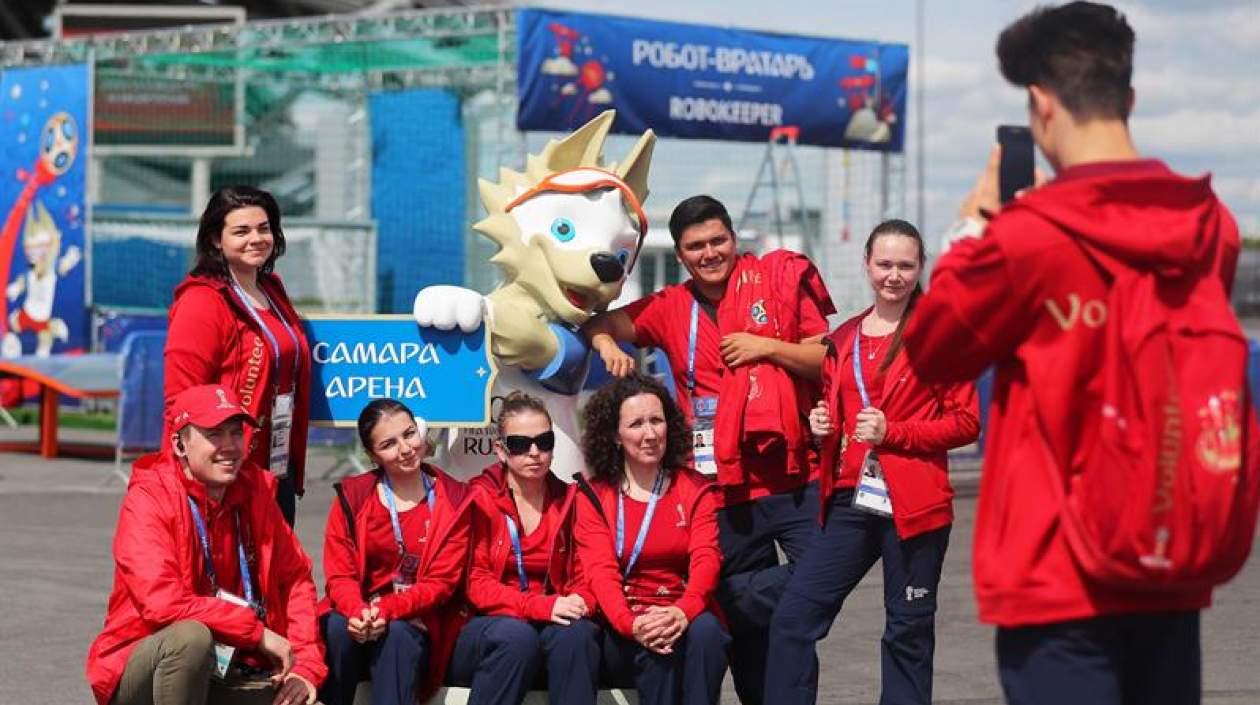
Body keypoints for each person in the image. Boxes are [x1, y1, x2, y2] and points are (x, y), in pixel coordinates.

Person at [902, 4, 1256, 704]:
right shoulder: (1209, 227)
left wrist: (972, 225)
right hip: (1169, 550)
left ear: (1039, 103)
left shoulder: (1026, 237)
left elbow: (933, 348)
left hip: (1056, 569)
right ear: (1128, 98)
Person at [582, 195, 834, 704]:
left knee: (815, 587)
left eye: (718, 240)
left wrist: (765, 346)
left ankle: (730, 597)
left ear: (734, 240)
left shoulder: (774, 283)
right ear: (681, 254)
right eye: (696, 246)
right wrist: (609, 347)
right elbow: (598, 324)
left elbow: (826, 357)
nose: (710, 252)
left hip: (793, 475)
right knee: (750, 637)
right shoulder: (672, 307)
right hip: (723, 486)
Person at [763, 220, 979, 705]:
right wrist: (823, 426)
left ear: (921, 267)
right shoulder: (843, 337)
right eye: (885, 264)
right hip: (849, 500)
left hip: (915, 504)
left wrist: (894, 432)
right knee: (794, 619)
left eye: (905, 265)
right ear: (867, 264)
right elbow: (842, 413)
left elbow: (966, 423)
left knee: (907, 632)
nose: (894, 275)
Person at [85, 384, 325, 705]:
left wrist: (305, 667)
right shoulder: (149, 498)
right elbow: (163, 604)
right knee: (190, 638)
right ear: (179, 444)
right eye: (214, 434)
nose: (229, 446)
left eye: (235, 432)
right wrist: (255, 632)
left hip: (232, 666)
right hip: (147, 666)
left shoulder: (256, 492)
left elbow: (295, 581)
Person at [573, 374, 728, 705]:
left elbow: (706, 558)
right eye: (636, 424)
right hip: (623, 623)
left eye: (657, 421)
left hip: (680, 612)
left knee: (708, 634)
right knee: (659, 651)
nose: (649, 434)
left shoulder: (694, 487)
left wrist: (683, 612)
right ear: (615, 435)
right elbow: (600, 571)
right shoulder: (595, 495)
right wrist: (634, 625)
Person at [165, 185, 311, 526]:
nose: (256, 238)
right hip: (225, 469)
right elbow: (180, 399)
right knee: (233, 574)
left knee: (273, 572)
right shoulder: (201, 301)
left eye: (264, 228)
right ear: (216, 239)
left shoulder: (272, 289)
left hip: (276, 462)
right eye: (241, 231)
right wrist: (184, 475)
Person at [448, 391, 602, 705]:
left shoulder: (573, 498)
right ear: (501, 451)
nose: (534, 453)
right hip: (488, 625)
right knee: (517, 637)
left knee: (578, 635)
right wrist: (541, 606)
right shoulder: (479, 497)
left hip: (552, 621)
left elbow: (590, 572)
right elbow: (476, 585)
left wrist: (580, 600)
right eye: (520, 445)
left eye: (544, 442)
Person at [319, 399, 475, 705]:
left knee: (399, 635)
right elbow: (340, 574)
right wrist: (358, 612)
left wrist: (387, 610)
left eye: (410, 433)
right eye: (389, 443)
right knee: (335, 627)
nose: (405, 448)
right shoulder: (354, 497)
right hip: (361, 619)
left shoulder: (454, 500)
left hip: (420, 622)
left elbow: (442, 583)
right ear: (371, 455)